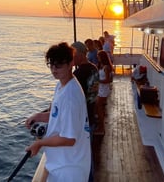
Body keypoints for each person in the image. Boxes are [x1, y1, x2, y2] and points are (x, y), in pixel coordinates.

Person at [25, 42, 91, 182]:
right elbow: (57, 115)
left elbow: (69, 139)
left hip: (69, 170)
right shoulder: (61, 85)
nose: (54, 70)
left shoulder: (70, 97)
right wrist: (38, 116)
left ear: (71, 63)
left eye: (59, 65)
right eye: (51, 65)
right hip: (60, 164)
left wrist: (39, 144)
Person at [72, 41, 99, 182]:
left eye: (73, 55)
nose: (71, 59)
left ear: (81, 54)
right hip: (91, 116)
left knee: (82, 157)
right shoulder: (94, 68)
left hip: (82, 121)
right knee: (88, 155)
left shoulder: (78, 74)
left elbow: (74, 100)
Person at [94, 50, 113, 135]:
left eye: (98, 56)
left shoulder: (106, 67)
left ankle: (101, 128)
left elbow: (108, 80)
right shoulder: (100, 66)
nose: (97, 58)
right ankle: (100, 125)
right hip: (100, 89)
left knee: (98, 107)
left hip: (104, 90)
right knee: (98, 107)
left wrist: (98, 81)